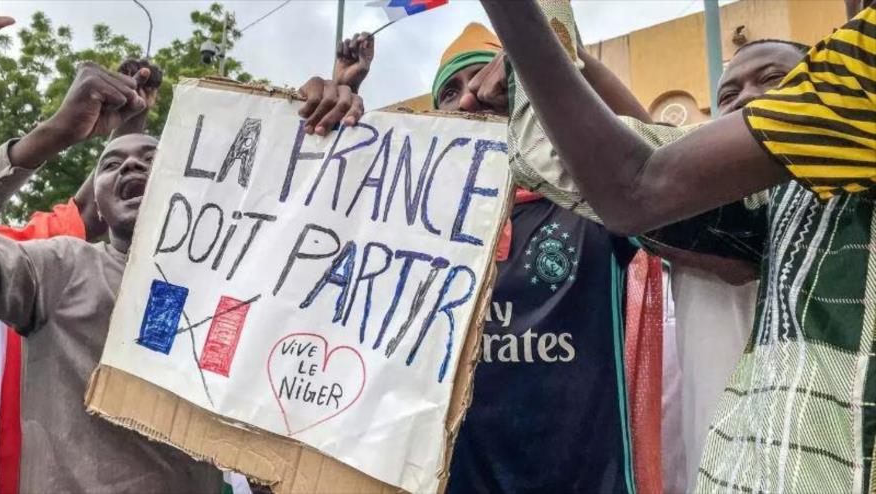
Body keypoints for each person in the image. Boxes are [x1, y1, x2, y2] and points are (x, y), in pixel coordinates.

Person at [480, 0, 876, 491]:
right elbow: (630, 157)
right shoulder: (770, 205)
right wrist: (560, 42)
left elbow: (632, 182)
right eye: (728, 92)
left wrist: (533, 23)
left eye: (774, 80)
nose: (748, 99)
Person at [319, 22, 653, 493]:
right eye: (450, 93)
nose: (470, 100)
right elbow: (322, 249)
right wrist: (329, 127)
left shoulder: (590, 204)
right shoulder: (413, 235)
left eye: (491, 80)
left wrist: (565, 60)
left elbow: (657, 169)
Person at [0, 61, 222, 492]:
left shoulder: (231, 291)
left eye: (152, 160)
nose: (131, 166)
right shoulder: (57, 268)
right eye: (111, 164)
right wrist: (54, 132)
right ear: (96, 209)